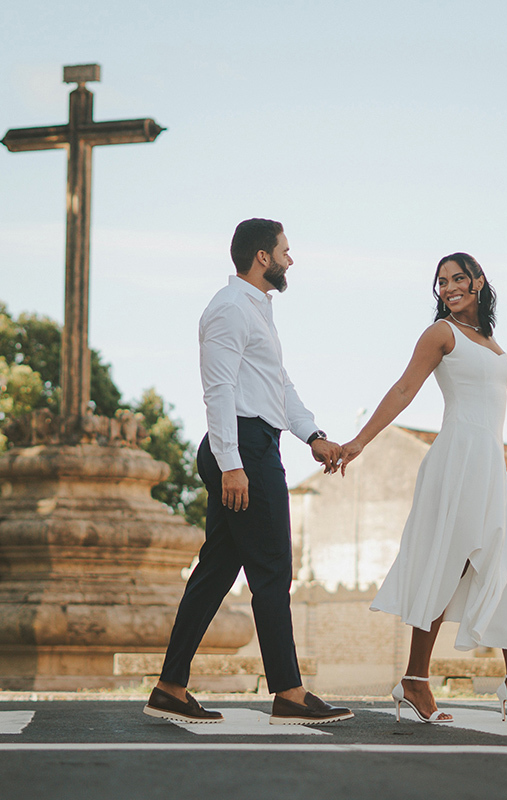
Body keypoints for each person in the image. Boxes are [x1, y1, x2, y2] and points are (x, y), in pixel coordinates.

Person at [145, 218, 353, 726]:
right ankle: (289, 694)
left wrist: (313, 436)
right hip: (239, 450)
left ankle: (170, 687)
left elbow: (277, 384)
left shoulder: (257, 310)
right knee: (272, 571)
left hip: (254, 445)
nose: (290, 259)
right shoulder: (230, 309)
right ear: (263, 256)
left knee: (216, 571)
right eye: (285, 250)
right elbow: (217, 390)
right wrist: (231, 465)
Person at [339, 253, 507, 724]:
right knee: (448, 562)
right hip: (456, 460)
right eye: (441, 281)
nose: (450, 287)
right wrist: (358, 442)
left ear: (479, 282)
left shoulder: (491, 342)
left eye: (458, 278)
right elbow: (403, 390)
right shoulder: (441, 334)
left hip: (490, 464)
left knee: (506, 557)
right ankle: (416, 680)